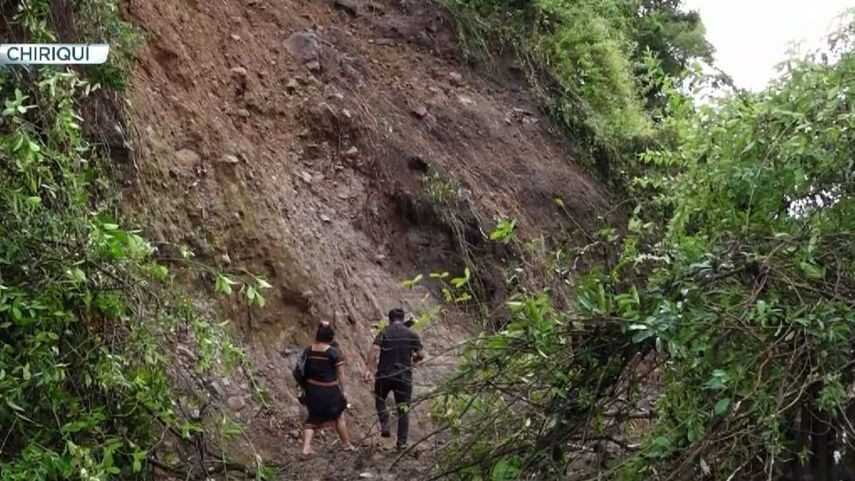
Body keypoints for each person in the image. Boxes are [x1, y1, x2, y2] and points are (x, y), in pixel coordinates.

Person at [363, 308, 424, 450]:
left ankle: (385, 423)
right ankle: (401, 443)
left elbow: (374, 350)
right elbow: (421, 355)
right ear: (403, 319)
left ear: (390, 319)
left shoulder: (384, 332)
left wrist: (369, 369)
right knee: (403, 409)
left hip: (385, 374)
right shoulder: (412, 334)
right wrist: (413, 359)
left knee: (379, 398)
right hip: (403, 376)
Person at [301, 323, 354, 455]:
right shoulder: (333, 353)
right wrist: (344, 390)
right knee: (339, 416)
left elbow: (302, 369)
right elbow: (340, 374)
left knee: (312, 419)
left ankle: (306, 447)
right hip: (329, 391)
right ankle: (346, 444)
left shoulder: (308, 350)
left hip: (311, 390)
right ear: (331, 337)